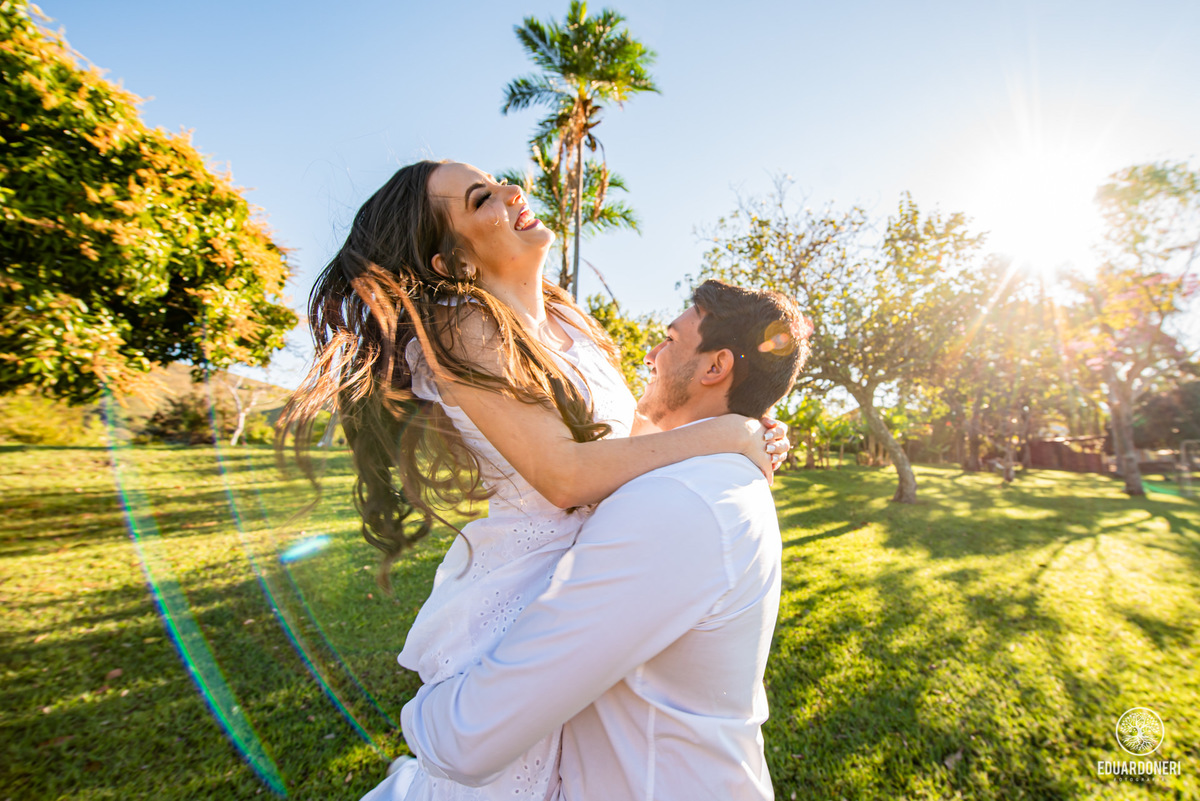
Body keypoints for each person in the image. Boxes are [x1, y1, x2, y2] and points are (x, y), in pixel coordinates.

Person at [278, 160, 790, 801]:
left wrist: (745, 437)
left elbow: (631, 440)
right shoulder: (462, 327)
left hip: (596, 568)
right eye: (480, 199)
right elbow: (566, 476)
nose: (512, 191)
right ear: (451, 262)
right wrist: (732, 434)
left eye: (497, 181)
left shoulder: (571, 324)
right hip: (523, 587)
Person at [396, 279, 808, 800]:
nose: (651, 354)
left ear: (714, 367)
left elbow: (466, 741)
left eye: (669, 340)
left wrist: (423, 709)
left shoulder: (682, 502)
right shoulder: (710, 475)